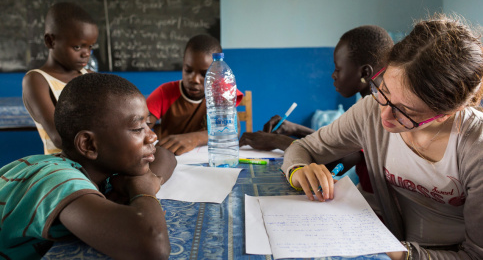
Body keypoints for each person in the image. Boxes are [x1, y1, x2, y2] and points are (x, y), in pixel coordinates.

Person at [281, 14, 483, 259]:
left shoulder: (475, 149)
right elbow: (303, 147)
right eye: (383, 91)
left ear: (446, 113)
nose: (384, 116)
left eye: (405, 112)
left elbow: (475, 254)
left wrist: (401, 253)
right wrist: (298, 169)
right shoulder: (370, 112)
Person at [1, 73, 177, 259]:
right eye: (137, 129)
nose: (152, 136)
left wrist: (137, 177)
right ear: (89, 145)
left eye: (148, 124)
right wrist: (143, 189)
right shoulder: (59, 179)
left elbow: (166, 156)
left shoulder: (99, 167)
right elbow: (152, 246)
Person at [239, 25, 394, 152]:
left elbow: (338, 157)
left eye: (338, 69)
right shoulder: (368, 102)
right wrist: (296, 129)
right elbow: (338, 143)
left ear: (365, 72)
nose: (333, 75)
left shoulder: (381, 112)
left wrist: (275, 140)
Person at [147, 34, 244, 155]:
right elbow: (142, 124)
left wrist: (194, 138)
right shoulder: (165, 92)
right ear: (183, 64)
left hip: (208, 159)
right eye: (188, 70)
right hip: (171, 158)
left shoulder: (222, 92)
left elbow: (234, 130)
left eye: (204, 74)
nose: (194, 79)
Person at [22, 2, 99, 154]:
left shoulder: (90, 76)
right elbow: (58, 137)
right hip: (62, 165)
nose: (86, 54)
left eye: (90, 47)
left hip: (97, 159)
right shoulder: (37, 80)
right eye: (78, 47)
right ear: (51, 41)